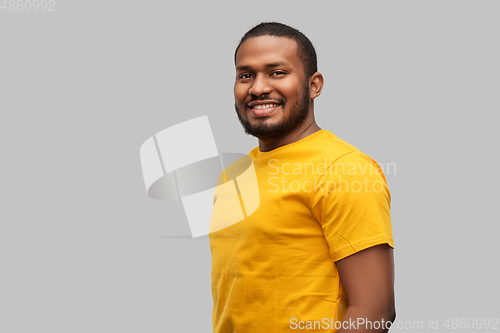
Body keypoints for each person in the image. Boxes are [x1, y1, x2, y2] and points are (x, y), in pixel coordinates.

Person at [209, 22, 395, 333]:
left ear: (314, 85)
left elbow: (374, 312)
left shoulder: (345, 169)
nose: (257, 88)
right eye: (246, 75)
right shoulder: (233, 175)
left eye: (277, 72)